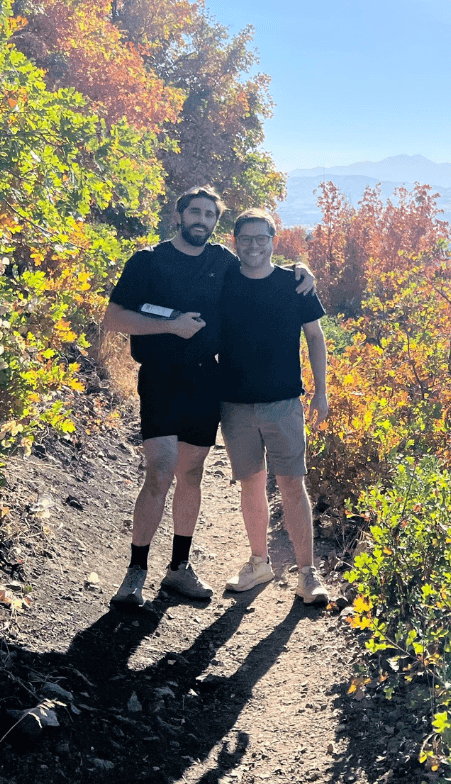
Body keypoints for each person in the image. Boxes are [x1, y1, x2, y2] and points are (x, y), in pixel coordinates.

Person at [103, 187, 313, 608]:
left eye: (209, 215)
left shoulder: (222, 261)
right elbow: (114, 318)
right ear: (178, 216)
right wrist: (171, 325)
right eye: (194, 212)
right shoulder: (148, 260)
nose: (201, 220)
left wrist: (301, 268)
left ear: (216, 222)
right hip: (160, 377)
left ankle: (179, 568)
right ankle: (136, 571)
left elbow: (260, 263)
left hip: (205, 380)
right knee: (160, 469)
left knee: (192, 473)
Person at [220, 208, 332, 605]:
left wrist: (321, 391)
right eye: (246, 238)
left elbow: (315, 337)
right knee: (251, 484)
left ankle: (307, 574)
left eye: (261, 238)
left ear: (273, 241)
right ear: (235, 241)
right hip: (234, 403)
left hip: (284, 402)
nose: (254, 245)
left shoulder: (294, 284)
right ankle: (259, 563)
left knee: (291, 484)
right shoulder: (224, 279)